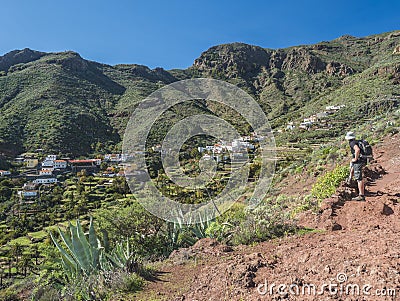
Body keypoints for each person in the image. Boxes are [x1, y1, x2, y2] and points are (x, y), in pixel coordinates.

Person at [345, 131, 366, 201]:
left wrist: (355, 159)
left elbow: (357, 150)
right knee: (354, 170)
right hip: (363, 160)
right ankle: (349, 181)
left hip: (359, 161)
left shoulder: (352, 143)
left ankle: (361, 195)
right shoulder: (357, 141)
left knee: (359, 178)